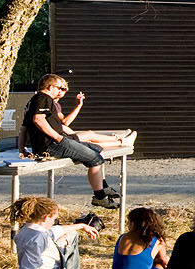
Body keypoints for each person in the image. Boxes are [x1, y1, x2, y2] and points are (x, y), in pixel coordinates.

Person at [23, 73, 121, 207]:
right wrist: (58, 137)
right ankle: (99, 196)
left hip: (54, 142)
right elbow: (38, 120)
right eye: (60, 88)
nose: (61, 91)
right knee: (95, 159)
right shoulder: (43, 97)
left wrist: (21, 149)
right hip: (53, 144)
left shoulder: (34, 101)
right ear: (50, 86)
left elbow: (24, 128)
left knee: (97, 148)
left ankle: (103, 186)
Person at [9, 196, 104, 269]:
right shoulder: (38, 239)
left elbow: (55, 231)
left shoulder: (28, 231)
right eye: (54, 219)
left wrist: (82, 226)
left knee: (71, 234)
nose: (55, 222)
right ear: (45, 218)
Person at [105, 206, 169, 269]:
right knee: (159, 265)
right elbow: (164, 261)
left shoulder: (122, 238)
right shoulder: (157, 240)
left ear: (133, 223)